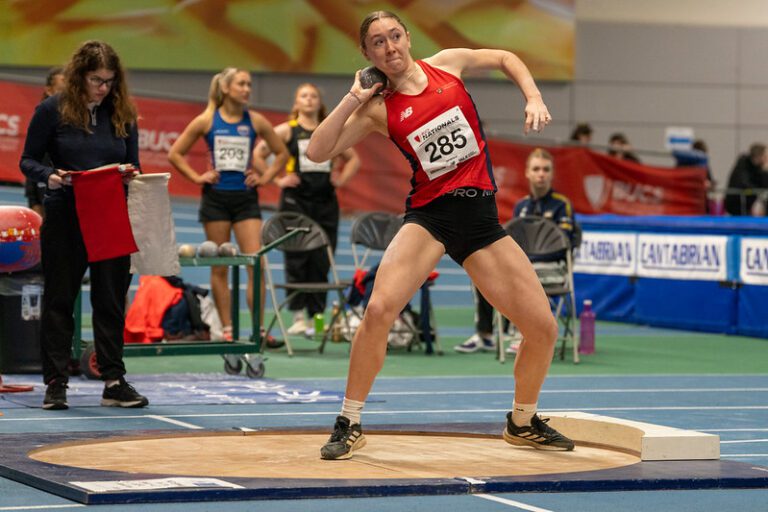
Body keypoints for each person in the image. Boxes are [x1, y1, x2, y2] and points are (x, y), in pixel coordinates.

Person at [306, 10, 574, 460]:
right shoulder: (376, 107)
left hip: (481, 220)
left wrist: (532, 96)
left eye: (394, 36)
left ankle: (523, 422)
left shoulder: (447, 63)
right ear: (367, 54)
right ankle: (348, 421)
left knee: (542, 328)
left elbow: (507, 57)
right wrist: (353, 97)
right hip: (430, 217)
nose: (389, 47)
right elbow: (317, 149)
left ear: (408, 37)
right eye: (378, 43)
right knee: (378, 310)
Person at [19, 41, 148, 410]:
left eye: (109, 81)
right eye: (96, 80)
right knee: (60, 298)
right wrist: (51, 176)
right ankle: (56, 382)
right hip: (65, 214)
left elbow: (133, 163)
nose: (103, 88)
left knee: (110, 299)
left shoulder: (123, 113)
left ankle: (113, 380)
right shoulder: (51, 110)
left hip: (110, 215)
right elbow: (27, 161)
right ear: (79, 76)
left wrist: (128, 174)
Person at [168, 67, 289, 346]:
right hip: (216, 200)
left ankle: (258, 331)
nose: (247, 89)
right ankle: (227, 329)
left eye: (249, 84)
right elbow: (175, 153)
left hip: (246, 199)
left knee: (254, 263)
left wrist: (266, 177)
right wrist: (198, 177)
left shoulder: (255, 120)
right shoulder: (207, 120)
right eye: (242, 84)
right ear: (225, 88)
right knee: (220, 267)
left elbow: (281, 152)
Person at [254, 83, 360, 337]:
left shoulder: (329, 129)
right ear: (296, 102)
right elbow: (259, 153)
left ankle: (319, 320)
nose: (309, 100)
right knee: (297, 256)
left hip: (325, 200)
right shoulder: (287, 130)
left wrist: (340, 180)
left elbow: (354, 159)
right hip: (296, 201)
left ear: (319, 102)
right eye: (304, 95)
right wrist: (277, 179)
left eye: (313, 95)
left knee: (322, 258)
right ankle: (300, 316)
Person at [455, 148, 574, 355]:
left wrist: (528, 260)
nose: (541, 174)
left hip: (552, 268)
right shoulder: (521, 206)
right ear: (527, 173)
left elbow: (565, 244)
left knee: (520, 275)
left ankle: (524, 333)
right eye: (536, 169)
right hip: (524, 265)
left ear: (552, 174)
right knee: (483, 273)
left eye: (546, 169)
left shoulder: (561, 205)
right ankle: (485, 335)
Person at [23, 67, 66, 218]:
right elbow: (30, 162)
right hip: (45, 191)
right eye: (60, 90)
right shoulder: (42, 117)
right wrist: (35, 204)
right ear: (49, 90)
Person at [724, 143, 767, 216]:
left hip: (749, 202)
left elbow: (765, 185)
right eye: (765, 155)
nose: (766, 158)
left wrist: (765, 172)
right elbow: (743, 183)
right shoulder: (743, 163)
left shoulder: (760, 168)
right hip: (738, 202)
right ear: (759, 156)